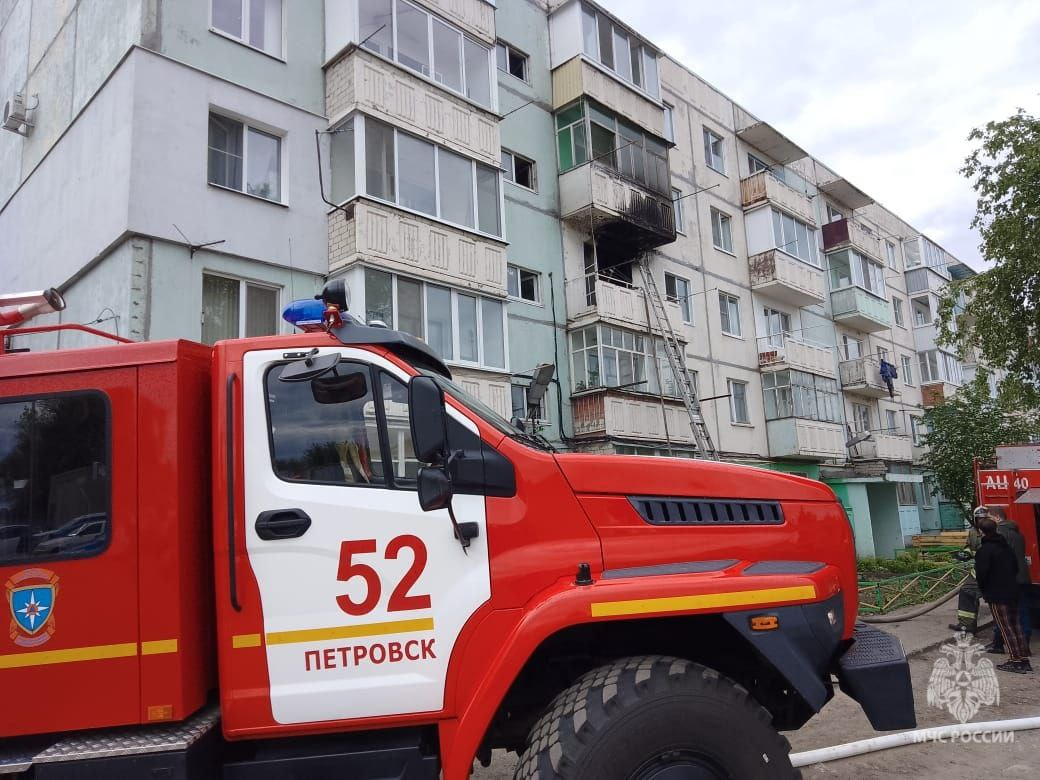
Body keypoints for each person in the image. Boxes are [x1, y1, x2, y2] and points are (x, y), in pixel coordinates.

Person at [975, 516, 1032, 673]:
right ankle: (1024, 659)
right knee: (1017, 625)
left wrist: (985, 589)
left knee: (1006, 628)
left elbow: (981, 574)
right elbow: (1015, 567)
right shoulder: (1005, 547)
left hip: (997, 594)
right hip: (1013, 591)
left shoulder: (985, 551)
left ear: (981, 532)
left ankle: (1015, 661)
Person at [949, 506, 986, 633]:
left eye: (983, 518)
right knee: (968, 593)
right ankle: (968, 625)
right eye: (979, 519)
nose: (981, 521)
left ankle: (967, 625)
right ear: (975, 519)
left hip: (986, 571)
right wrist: (965, 554)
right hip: (978, 570)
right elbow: (969, 546)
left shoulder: (991, 531)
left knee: (967, 592)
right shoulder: (973, 532)